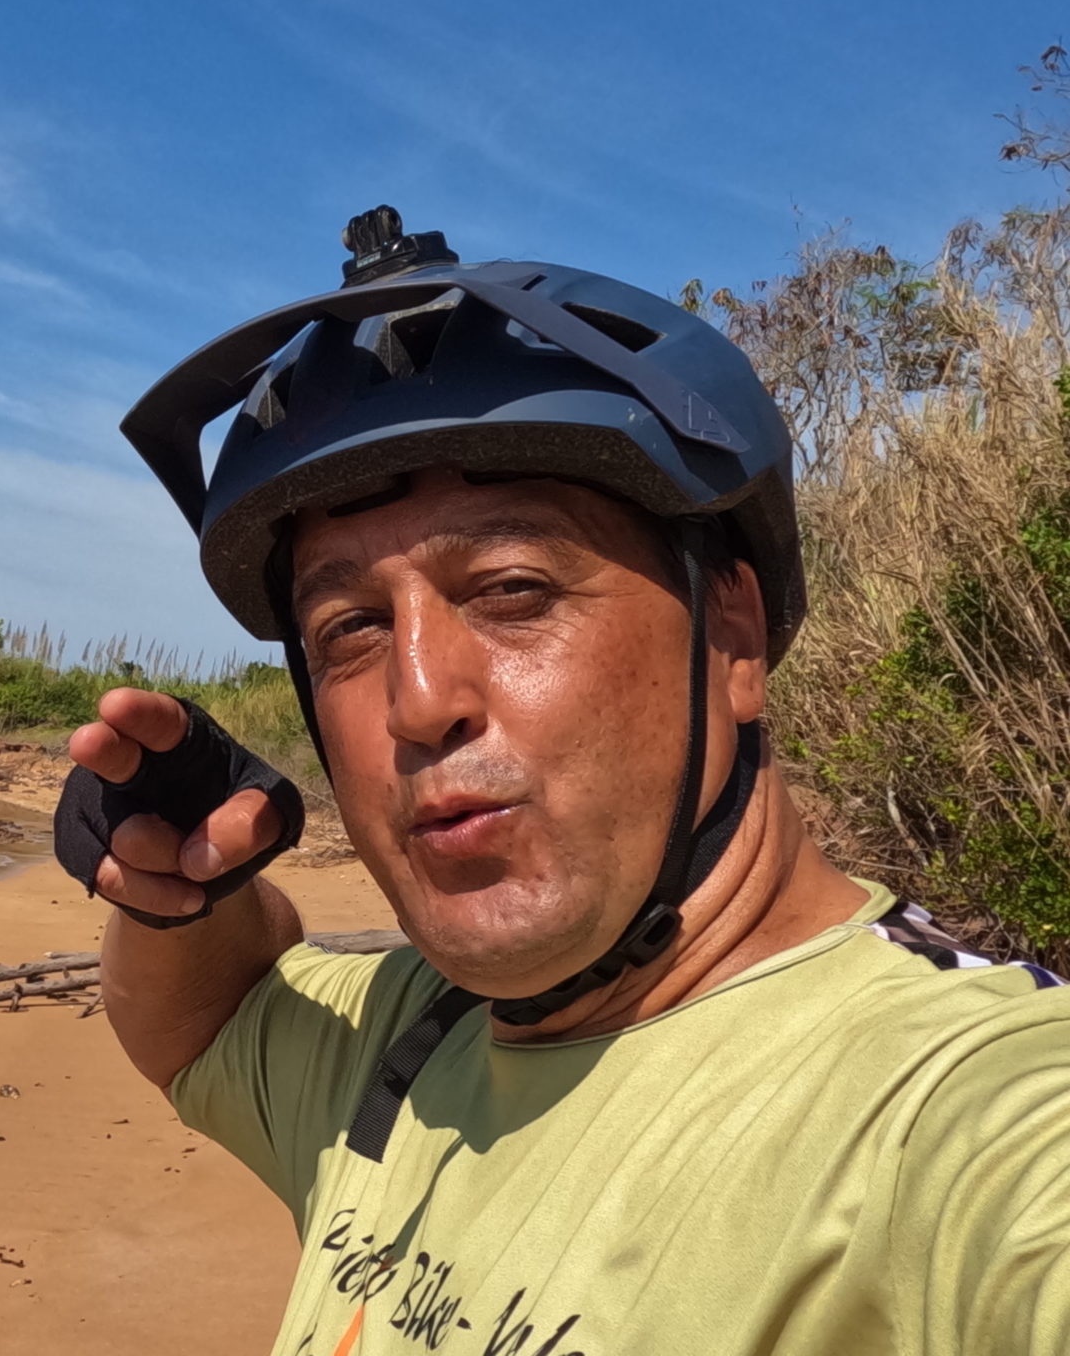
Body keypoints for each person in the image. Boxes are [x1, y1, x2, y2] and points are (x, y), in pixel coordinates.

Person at [54, 209, 1070, 1355]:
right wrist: (182, 880)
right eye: (349, 627)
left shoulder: (948, 1113)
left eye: (512, 588)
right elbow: (202, 1017)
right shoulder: (416, 1037)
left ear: (732, 636)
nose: (418, 698)